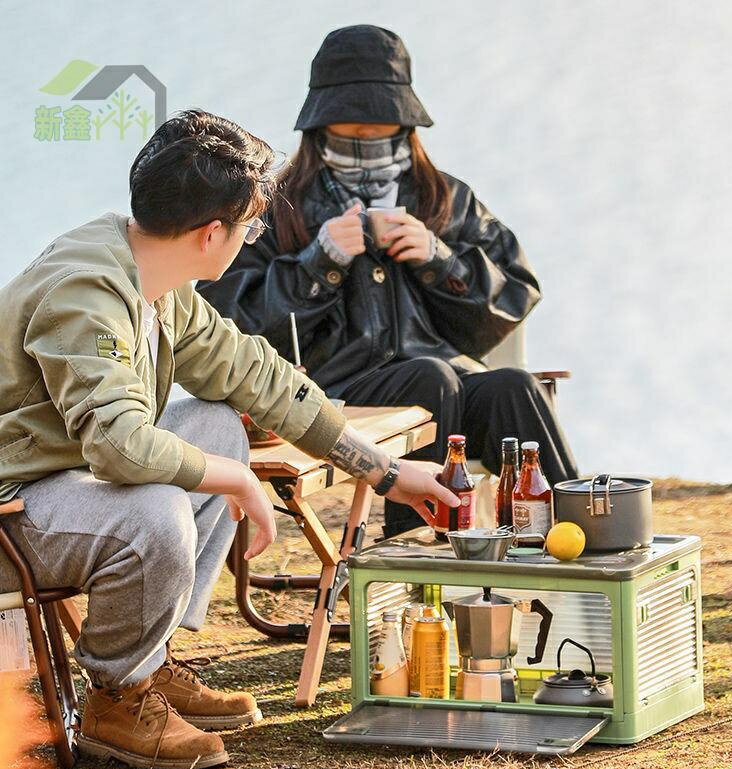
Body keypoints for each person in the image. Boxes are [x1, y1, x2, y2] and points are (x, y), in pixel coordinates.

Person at [0, 109, 458, 769]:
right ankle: (117, 694)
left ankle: (150, 665)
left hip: (61, 484)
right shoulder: (87, 293)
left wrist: (384, 472)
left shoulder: (152, 274)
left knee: (214, 421)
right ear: (213, 233)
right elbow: (119, 448)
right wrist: (237, 479)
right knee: (156, 509)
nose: (252, 237)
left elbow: (255, 374)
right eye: (250, 226)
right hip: (13, 515)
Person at [198, 25, 579, 537]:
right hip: (334, 393)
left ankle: (585, 546)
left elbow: (515, 294)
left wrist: (441, 261)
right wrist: (319, 263)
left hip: (447, 380)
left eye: (382, 131)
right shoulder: (275, 203)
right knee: (430, 379)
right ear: (319, 128)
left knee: (514, 386)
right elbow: (227, 320)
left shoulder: (444, 197)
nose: (368, 144)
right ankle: (412, 567)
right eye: (351, 134)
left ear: (406, 125)